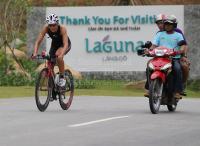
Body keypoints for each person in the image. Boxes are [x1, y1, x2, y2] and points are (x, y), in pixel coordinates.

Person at [144, 15, 188, 99]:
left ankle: (177, 91)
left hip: (174, 58)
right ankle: (150, 88)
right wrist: (149, 50)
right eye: (166, 23)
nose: (167, 25)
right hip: (160, 57)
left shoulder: (178, 35)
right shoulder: (159, 34)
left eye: (169, 24)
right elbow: (154, 45)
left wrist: (180, 51)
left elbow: (182, 46)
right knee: (149, 67)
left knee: (177, 69)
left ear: (174, 25)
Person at [31, 13, 71, 87]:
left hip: (64, 44)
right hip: (55, 44)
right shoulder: (45, 28)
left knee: (58, 55)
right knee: (50, 63)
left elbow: (66, 44)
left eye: (54, 25)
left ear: (57, 24)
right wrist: (35, 53)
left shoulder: (62, 28)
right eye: (50, 25)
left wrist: (61, 55)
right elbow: (38, 41)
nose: (52, 27)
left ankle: (62, 77)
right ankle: (52, 87)